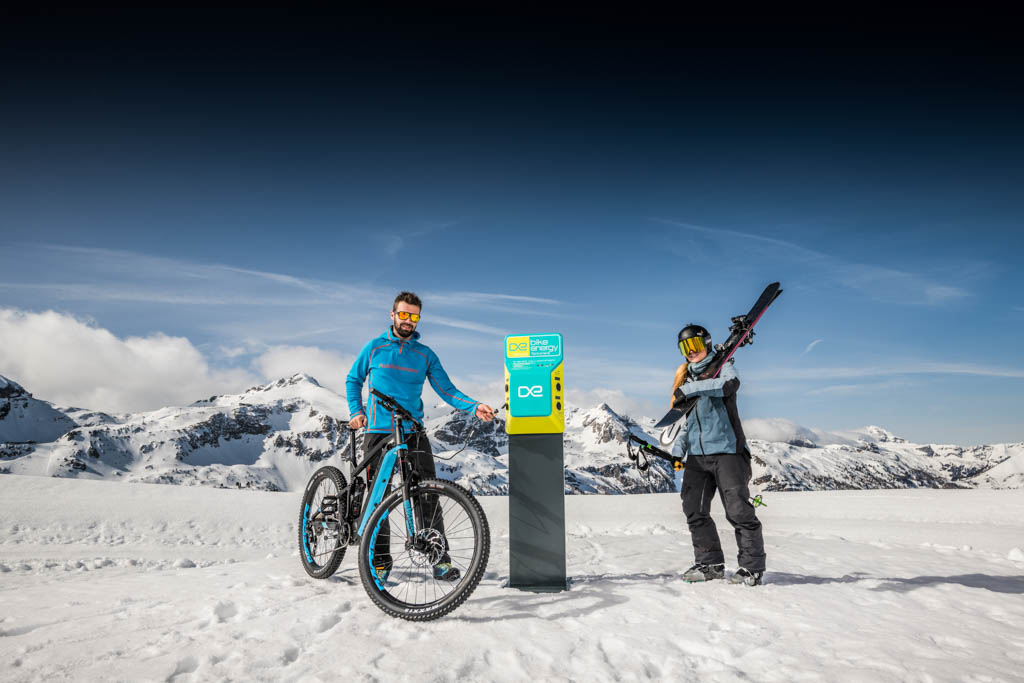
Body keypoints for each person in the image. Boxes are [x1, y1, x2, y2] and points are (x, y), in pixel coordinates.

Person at [346, 291, 495, 582]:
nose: (408, 321)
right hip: (378, 432)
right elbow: (354, 379)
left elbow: (447, 390)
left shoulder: (425, 354)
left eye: (413, 316)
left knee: (427, 495)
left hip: (413, 432)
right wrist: (356, 411)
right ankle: (379, 560)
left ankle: (439, 560)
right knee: (379, 500)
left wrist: (474, 407)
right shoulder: (374, 348)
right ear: (392, 315)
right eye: (403, 314)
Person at [673, 324, 766, 586]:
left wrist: (690, 390)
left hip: (728, 453)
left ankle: (752, 568)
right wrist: (679, 450)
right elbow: (690, 422)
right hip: (698, 458)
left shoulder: (724, 367)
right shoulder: (687, 380)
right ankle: (710, 564)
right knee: (694, 510)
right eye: (685, 347)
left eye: (696, 346)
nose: (691, 352)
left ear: (708, 345)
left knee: (738, 511)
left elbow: (728, 386)